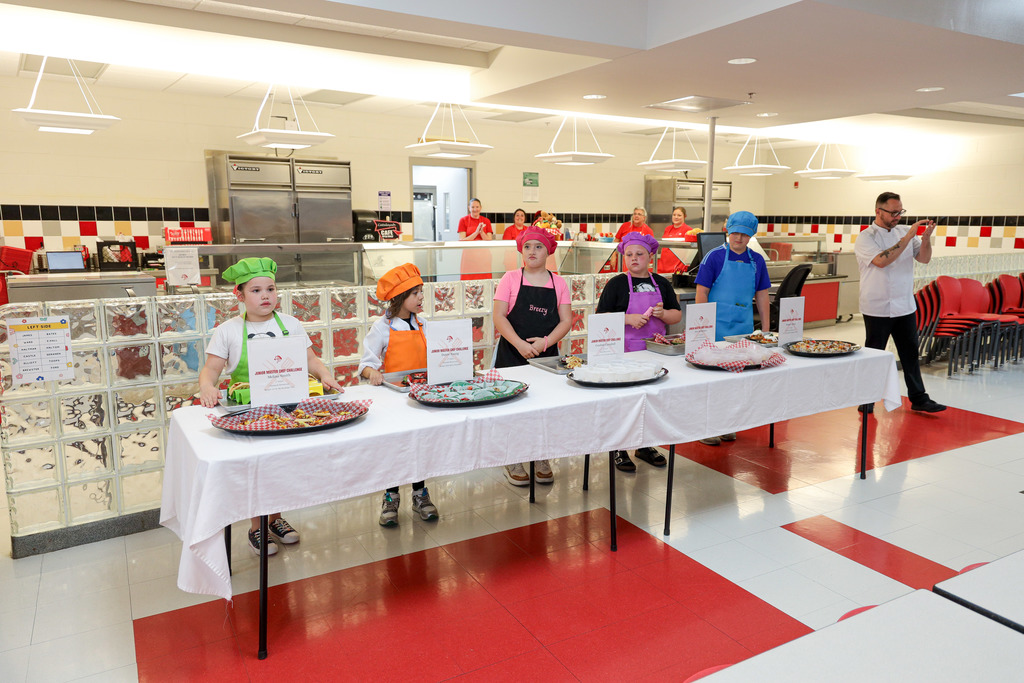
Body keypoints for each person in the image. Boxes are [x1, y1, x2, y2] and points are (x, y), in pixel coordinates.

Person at [198, 257, 343, 556]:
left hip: (287, 406)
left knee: (281, 467)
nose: (265, 296)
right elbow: (211, 369)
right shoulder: (228, 330)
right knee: (256, 470)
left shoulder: (290, 324)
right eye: (255, 290)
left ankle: (275, 520)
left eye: (270, 289)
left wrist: (325, 375)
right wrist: (207, 387)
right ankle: (256, 527)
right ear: (239, 296)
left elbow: (310, 361)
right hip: (250, 411)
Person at [358, 263, 442, 525]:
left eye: (421, 293)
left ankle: (420, 493)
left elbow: (438, 356)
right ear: (400, 297)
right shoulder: (382, 327)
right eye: (415, 293)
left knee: (419, 445)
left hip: (421, 396)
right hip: (395, 399)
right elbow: (365, 364)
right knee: (396, 448)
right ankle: (391, 496)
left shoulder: (424, 324)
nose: (420, 299)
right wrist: (372, 373)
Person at [596, 232, 683, 471]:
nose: (634, 258)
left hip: (655, 353)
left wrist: (663, 315)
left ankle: (645, 445)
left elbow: (676, 314)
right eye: (629, 254)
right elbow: (600, 317)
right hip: (624, 353)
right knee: (624, 402)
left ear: (650, 256)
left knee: (651, 400)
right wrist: (627, 319)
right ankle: (619, 448)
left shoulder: (662, 283)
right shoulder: (616, 284)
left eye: (639, 254)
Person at [493, 227, 572, 486]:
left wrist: (545, 342)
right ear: (521, 250)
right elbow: (498, 317)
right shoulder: (510, 279)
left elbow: (566, 321)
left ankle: (541, 455)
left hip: (546, 357)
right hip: (511, 354)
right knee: (511, 407)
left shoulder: (558, 283)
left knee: (543, 407)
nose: (532, 252)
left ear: (549, 250)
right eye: (527, 247)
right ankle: (511, 457)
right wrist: (519, 344)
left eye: (538, 246)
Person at [854, 192, 945, 413]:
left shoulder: (906, 233)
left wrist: (924, 239)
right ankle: (866, 399)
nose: (897, 217)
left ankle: (919, 398)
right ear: (878, 211)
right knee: (874, 355)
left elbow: (924, 258)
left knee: (910, 353)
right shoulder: (866, 237)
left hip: (904, 305)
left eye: (900, 212)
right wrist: (908, 236)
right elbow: (881, 261)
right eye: (893, 212)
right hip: (877, 306)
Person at [694, 211, 772, 445]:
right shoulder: (714, 257)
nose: (738, 238)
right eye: (735, 233)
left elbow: (762, 295)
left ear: (751, 236)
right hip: (715, 328)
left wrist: (766, 329)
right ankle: (706, 427)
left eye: (744, 234)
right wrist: (702, 328)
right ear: (728, 231)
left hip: (743, 328)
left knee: (736, 379)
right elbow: (701, 293)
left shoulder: (756, 260)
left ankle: (726, 424)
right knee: (713, 380)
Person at [657, 206, 692, 274]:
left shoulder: (688, 230)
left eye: (679, 215)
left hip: (677, 268)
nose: (676, 217)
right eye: (674, 215)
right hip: (663, 266)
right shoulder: (667, 229)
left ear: (684, 216)